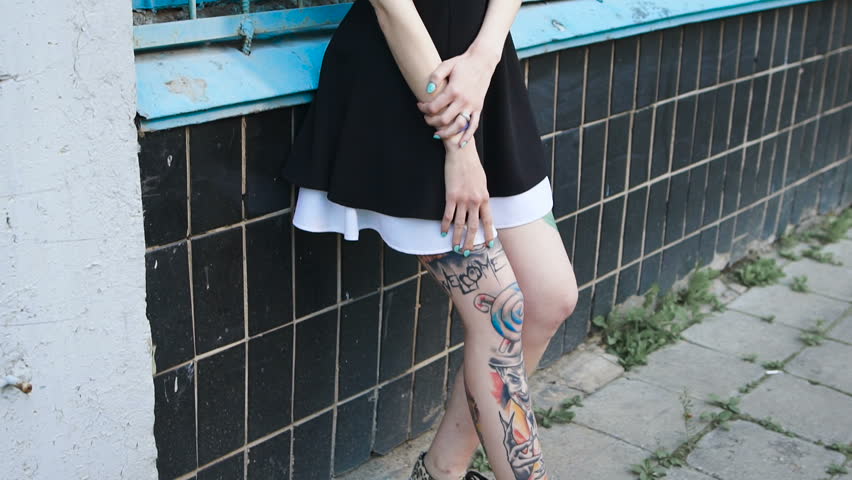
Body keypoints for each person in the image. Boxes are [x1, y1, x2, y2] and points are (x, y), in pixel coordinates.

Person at [281, 0, 579, 478]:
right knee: (500, 311)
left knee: (550, 298)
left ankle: (440, 470)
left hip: (482, 76)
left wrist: (484, 60)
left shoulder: (483, 67)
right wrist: (458, 147)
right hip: (410, 87)